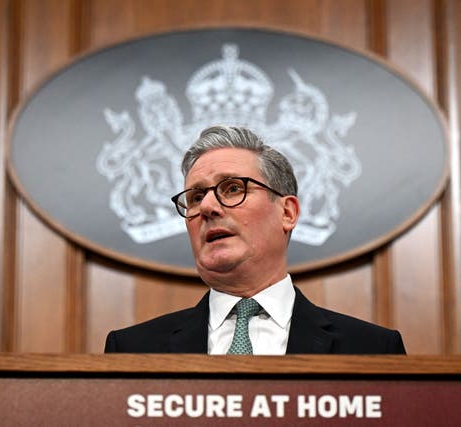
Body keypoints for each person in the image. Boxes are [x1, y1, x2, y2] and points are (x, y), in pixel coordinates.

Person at [105, 125, 405, 355]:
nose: (208, 207)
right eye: (196, 197)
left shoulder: (373, 348)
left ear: (287, 212)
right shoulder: (131, 348)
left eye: (233, 188)